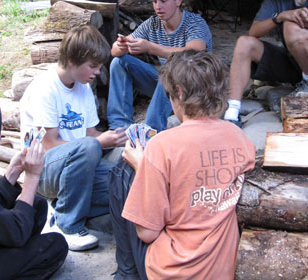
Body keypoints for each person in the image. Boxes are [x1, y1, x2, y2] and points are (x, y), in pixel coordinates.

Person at [109, 50, 256, 280]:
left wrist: (143, 168)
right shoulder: (240, 138)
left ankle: (126, 273)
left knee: (122, 170)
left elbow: (147, 233)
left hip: (174, 270)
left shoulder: (162, 145)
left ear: (178, 91)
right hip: (220, 270)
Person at [20, 25, 127, 251]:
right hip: (43, 171)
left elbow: (91, 134)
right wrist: (98, 143)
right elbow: (48, 146)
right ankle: (68, 224)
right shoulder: (45, 88)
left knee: (128, 182)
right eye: (93, 66)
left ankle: (61, 205)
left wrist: (119, 138)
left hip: (79, 169)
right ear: (71, 60)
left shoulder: (84, 87)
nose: (97, 72)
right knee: (89, 148)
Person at [0, 97, 68, 280]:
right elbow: (15, 231)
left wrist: (12, 172)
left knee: (36, 205)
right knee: (55, 245)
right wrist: (32, 177)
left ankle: (11, 257)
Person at [107, 0, 212, 133]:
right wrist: (120, 45)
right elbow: (114, 52)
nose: (158, 6)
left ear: (178, 0)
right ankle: (120, 126)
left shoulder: (195, 22)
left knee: (170, 70)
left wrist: (150, 47)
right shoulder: (152, 23)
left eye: (163, 1)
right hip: (166, 87)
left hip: (193, 88)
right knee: (119, 62)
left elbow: (194, 52)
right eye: (155, 1)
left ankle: (151, 131)